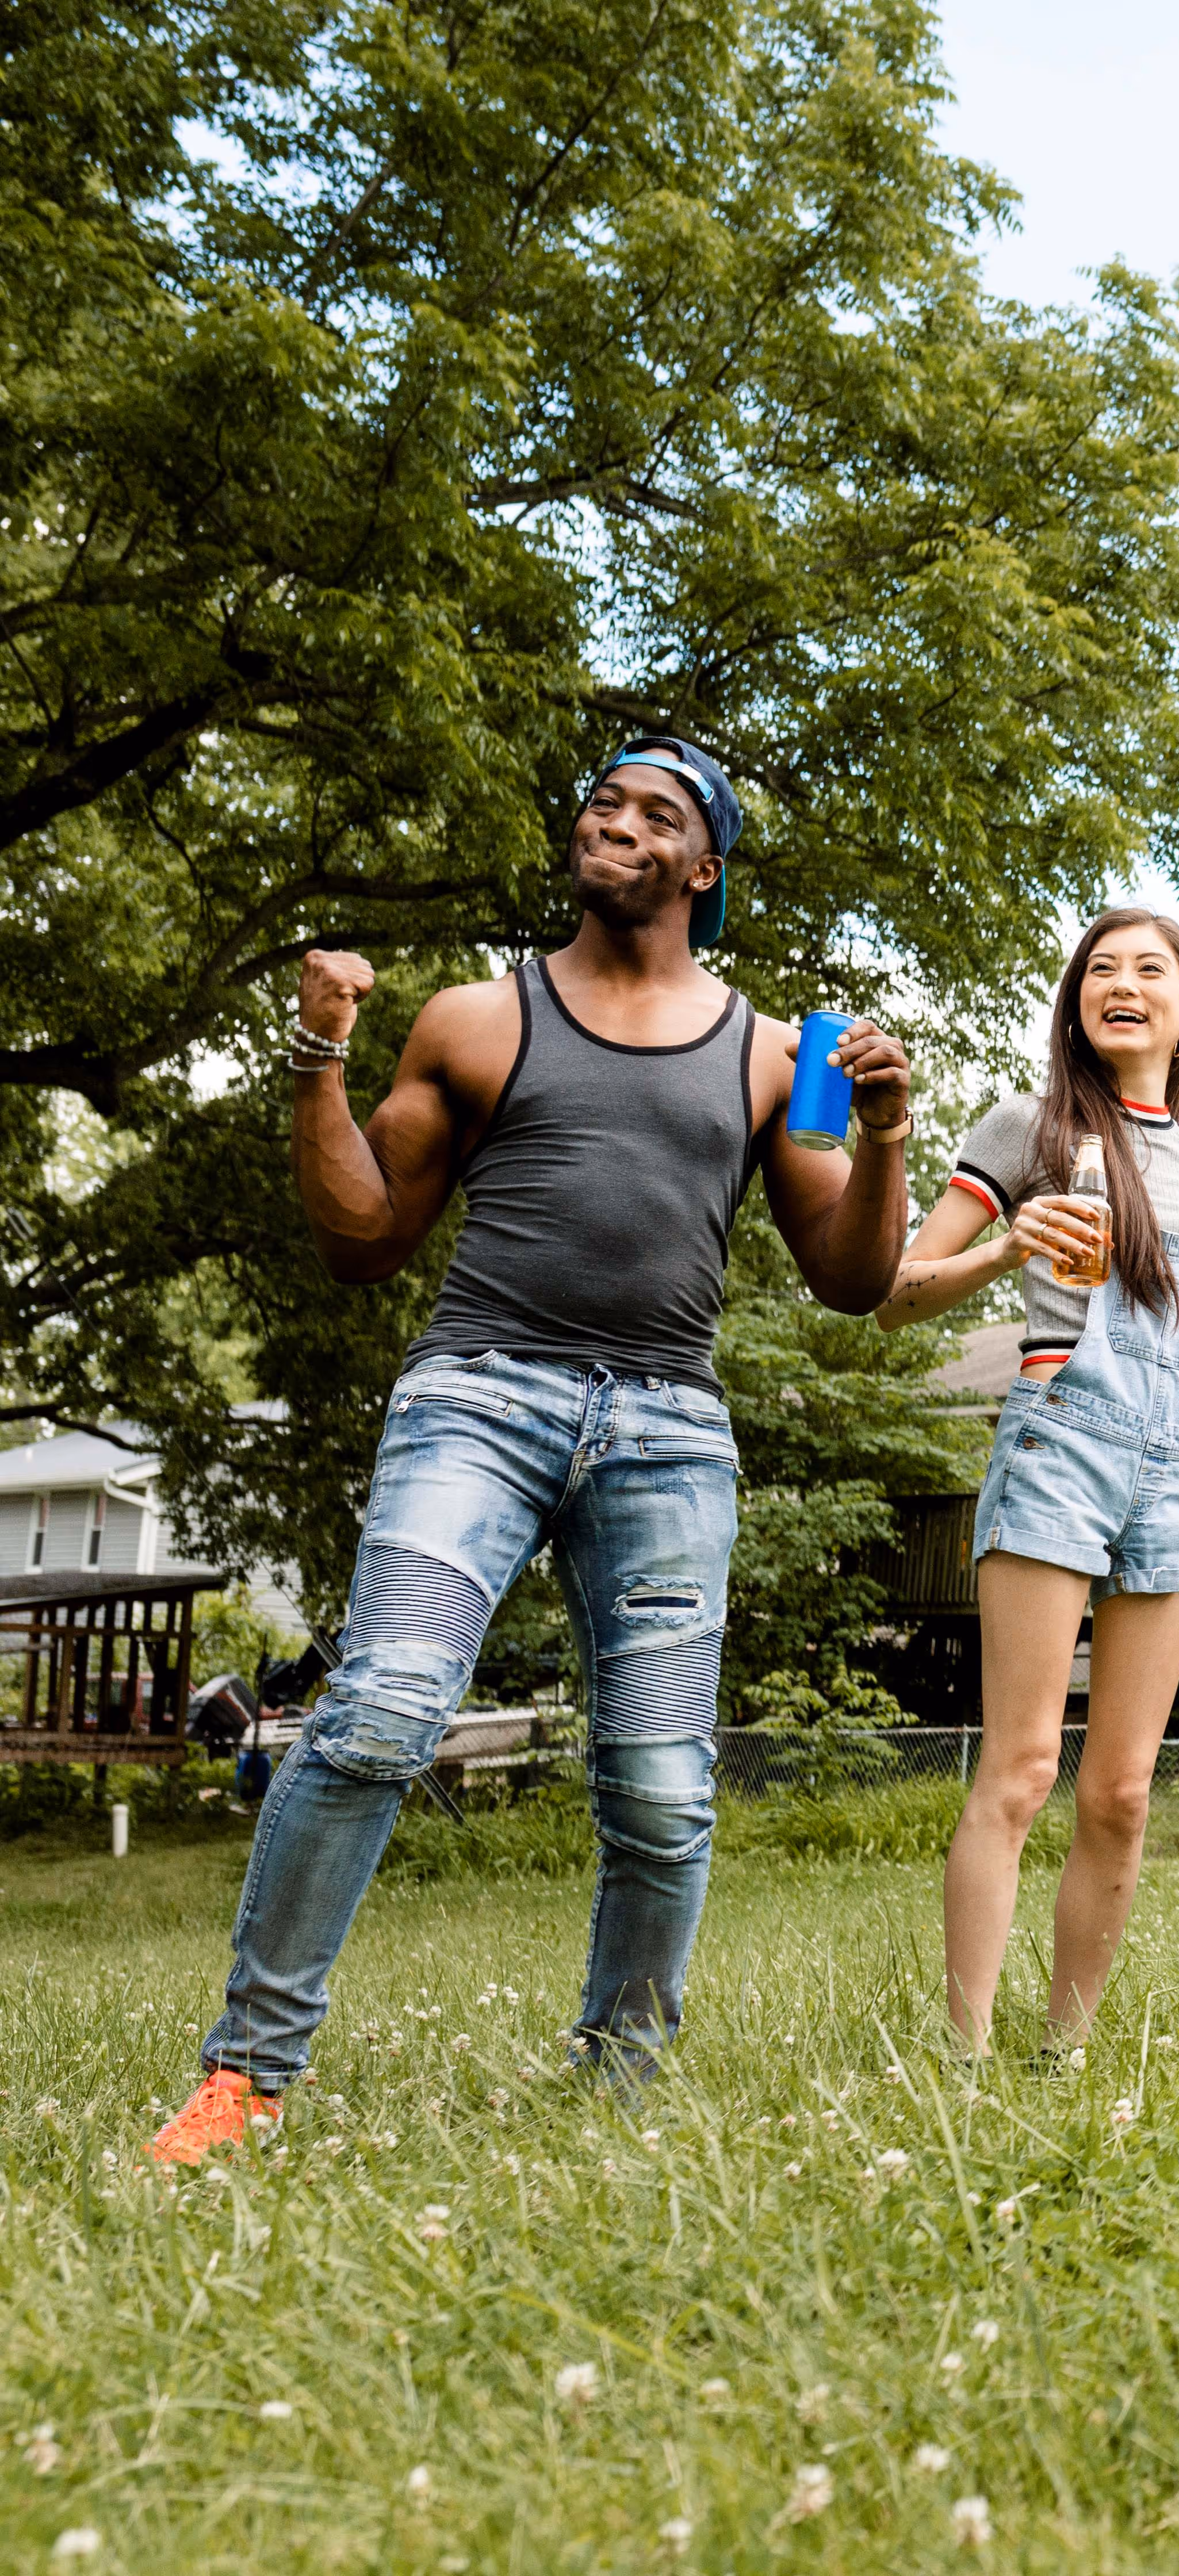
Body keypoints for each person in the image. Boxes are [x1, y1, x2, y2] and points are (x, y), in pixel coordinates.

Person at [149, 739, 915, 2163]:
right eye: (602, 801)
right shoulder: (474, 1020)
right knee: (378, 1710)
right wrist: (318, 1054)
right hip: (478, 1404)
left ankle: (623, 2089)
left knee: (662, 1784)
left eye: (656, 814)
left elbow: (855, 1281)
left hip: (670, 1433)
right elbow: (361, 1238)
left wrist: (882, 1136)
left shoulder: (779, 1054)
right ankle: (244, 2079)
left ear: (706, 867)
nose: (613, 821)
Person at [875, 908, 1179, 2057]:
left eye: (1150, 970)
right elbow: (895, 1288)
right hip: (1062, 1441)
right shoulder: (1026, 1128)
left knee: (1123, 1791)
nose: (1121, 983)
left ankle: (1067, 2047)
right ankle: (966, 2049)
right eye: (1100, 968)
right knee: (1026, 1762)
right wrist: (1005, 1248)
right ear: (1077, 1001)